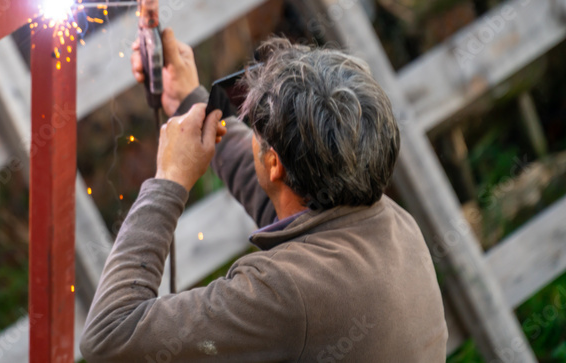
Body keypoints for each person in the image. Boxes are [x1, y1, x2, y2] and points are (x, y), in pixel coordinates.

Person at [79, 30, 447, 362]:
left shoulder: (286, 293)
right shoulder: (391, 221)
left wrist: (169, 179)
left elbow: (110, 335)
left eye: (256, 128)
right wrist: (189, 99)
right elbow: (281, 190)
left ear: (274, 163)